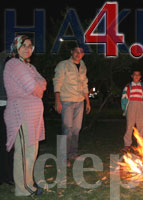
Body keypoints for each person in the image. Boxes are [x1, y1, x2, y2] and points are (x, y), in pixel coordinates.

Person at [3, 35, 46, 196]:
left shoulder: (28, 66)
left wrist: (38, 85)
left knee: (31, 151)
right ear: (16, 47)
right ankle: (23, 188)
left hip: (32, 116)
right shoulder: (14, 64)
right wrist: (37, 86)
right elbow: (33, 87)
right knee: (23, 153)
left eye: (30, 46)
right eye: (23, 45)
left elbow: (43, 82)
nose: (27, 49)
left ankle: (29, 184)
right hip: (20, 114)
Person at [53, 46, 91, 166]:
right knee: (67, 129)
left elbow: (84, 84)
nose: (78, 54)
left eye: (81, 52)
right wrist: (57, 101)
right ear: (71, 52)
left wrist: (87, 102)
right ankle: (63, 157)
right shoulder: (63, 65)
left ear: (83, 54)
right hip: (67, 101)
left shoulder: (83, 66)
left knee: (76, 129)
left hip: (80, 101)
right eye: (76, 51)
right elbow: (57, 82)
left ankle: (73, 153)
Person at [121, 69, 143, 151]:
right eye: (135, 74)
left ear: (140, 76)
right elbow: (124, 98)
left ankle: (141, 144)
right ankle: (127, 144)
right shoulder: (128, 86)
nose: (137, 76)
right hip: (131, 105)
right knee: (129, 125)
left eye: (138, 75)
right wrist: (124, 108)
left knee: (141, 125)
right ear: (132, 76)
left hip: (140, 105)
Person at [0, 58, 14, 186]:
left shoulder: (6, 63)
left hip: (6, 105)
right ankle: (6, 175)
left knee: (7, 142)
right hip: (5, 104)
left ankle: (7, 174)